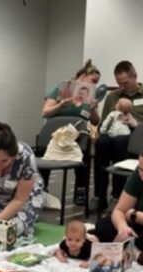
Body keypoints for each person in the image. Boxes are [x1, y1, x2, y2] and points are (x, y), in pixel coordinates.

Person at [94, 60, 143, 216]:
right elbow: (103, 124)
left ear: (135, 77)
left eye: (125, 82)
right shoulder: (113, 96)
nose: (122, 87)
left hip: (138, 138)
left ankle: (118, 195)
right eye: (119, 83)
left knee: (121, 142)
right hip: (113, 134)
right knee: (101, 143)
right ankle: (100, 195)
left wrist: (135, 123)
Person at [41, 59, 101, 205]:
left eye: (97, 82)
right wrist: (61, 105)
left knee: (84, 153)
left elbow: (95, 121)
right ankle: (42, 189)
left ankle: (80, 190)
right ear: (84, 76)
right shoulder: (61, 89)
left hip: (78, 133)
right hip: (57, 132)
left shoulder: (91, 95)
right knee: (44, 154)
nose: (94, 84)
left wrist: (93, 109)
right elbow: (45, 113)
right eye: (93, 80)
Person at [0, 122, 46, 236]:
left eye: (4, 161)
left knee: (11, 230)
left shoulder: (26, 157)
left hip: (24, 197)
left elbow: (19, 200)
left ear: (14, 156)